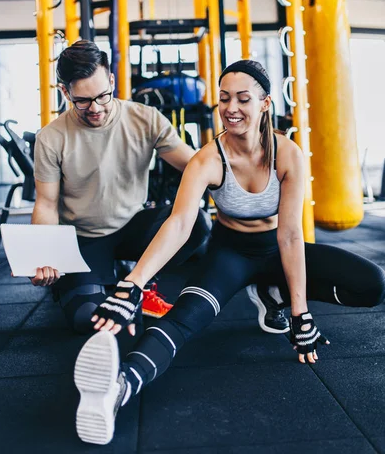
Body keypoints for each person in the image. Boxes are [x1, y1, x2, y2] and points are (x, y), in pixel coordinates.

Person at [73, 58, 385, 446]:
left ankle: (275, 293)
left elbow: (290, 235)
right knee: (184, 319)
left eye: (243, 99)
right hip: (229, 254)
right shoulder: (207, 159)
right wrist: (132, 285)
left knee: (372, 284)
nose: (231, 108)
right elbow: (180, 223)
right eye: (223, 99)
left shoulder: (288, 154)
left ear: (265, 103)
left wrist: (301, 311)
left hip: (275, 249)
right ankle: (118, 389)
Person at [30, 39, 213, 333]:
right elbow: (46, 204)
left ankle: (138, 279)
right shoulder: (51, 138)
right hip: (82, 238)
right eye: (83, 101)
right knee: (88, 321)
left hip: (133, 227)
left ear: (112, 80)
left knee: (198, 224)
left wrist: (246, 175)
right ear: (65, 92)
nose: (96, 108)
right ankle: (115, 285)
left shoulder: (145, 118)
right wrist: (43, 253)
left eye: (103, 95)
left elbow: (196, 166)